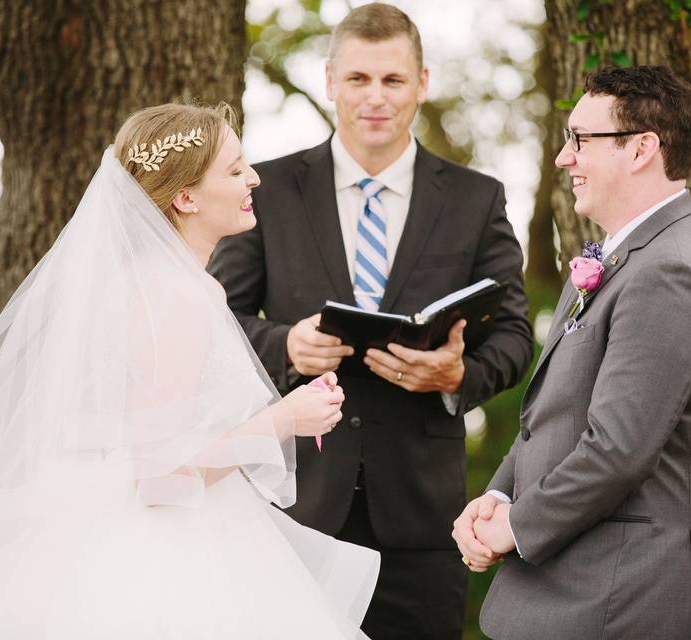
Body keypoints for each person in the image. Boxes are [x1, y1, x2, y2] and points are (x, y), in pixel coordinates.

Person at [0, 102, 380, 639]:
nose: (254, 177)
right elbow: (160, 475)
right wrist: (283, 418)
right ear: (185, 197)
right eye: (233, 170)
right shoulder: (178, 294)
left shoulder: (154, 282)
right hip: (169, 550)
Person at [208, 4, 532, 638]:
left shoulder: (476, 198)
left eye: (393, 80)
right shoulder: (267, 189)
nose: (375, 98)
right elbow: (216, 324)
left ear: (422, 83)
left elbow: (516, 336)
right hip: (294, 507)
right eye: (358, 79)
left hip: (422, 518)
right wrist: (286, 346)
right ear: (330, 81)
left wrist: (455, 375)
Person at [453, 65, 691, 640]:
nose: (563, 157)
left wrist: (515, 526)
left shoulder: (668, 269)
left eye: (580, 139)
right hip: (573, 591)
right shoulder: (622, 255)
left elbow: (619, 449)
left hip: (619, 598)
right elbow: (556, 413)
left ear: (641, 149)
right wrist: (497, 495)